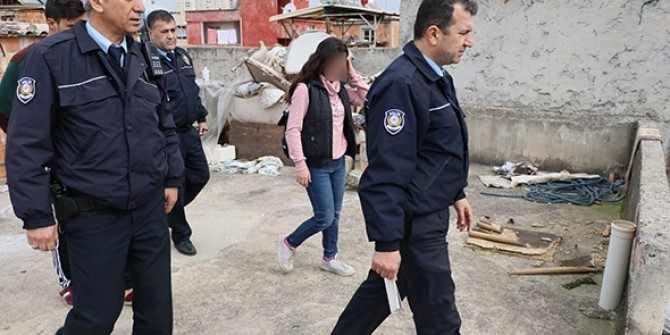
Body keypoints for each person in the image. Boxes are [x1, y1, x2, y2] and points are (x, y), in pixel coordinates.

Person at [6, 0, 184, 331]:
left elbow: (163, 122)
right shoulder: (52, 57)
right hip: (93, 213)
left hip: (148, 208)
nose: (140, 7)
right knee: (96, 316)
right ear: (98, 3)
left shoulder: (143, 55)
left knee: (158, 313)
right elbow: (27, 142)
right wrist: (36, 215)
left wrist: (172, 177)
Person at [331, 0, 477, 333]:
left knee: (378, 298)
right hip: (414, 225)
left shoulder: (436, 78)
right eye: (464, 32)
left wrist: (456, 192)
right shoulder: (402, 84)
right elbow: (385, 171)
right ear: (434, 33)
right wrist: (387, 244)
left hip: (427, 212)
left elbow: (436, 150)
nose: (469, 41)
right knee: (441, 321)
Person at [0, 0, 86, 307]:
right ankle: (70, 282)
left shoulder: (90, 56)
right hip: (51, 164)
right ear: (51, 22)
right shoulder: (26, 60)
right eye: (72, 27)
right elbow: (9, 113)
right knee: (59, 225)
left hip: (85, 162)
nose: (80, 34)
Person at [277, 37, 369, 277]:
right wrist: (300, 165)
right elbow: (293, 130)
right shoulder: (305, 89)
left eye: (344, 63)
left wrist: (352, 74)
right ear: (324, 62)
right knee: (324, 216)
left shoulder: (341, 91)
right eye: (338, 63)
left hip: (338, 162)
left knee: (335, 215)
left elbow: (367, 97)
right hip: (315, 165)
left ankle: (330, 257)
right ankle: (289, 242)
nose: (341, 68)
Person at [147, 9, 210, 256]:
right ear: (151, 33)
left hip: (189, 131)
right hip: (166, 135)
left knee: (200, 175)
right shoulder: (148, 62)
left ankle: (166, 215)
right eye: (164, 32)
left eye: (174, 30)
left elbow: (191, 90)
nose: (171, 36)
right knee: (176, 184)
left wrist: (202, 115)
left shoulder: (182, 56)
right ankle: (181, 234)